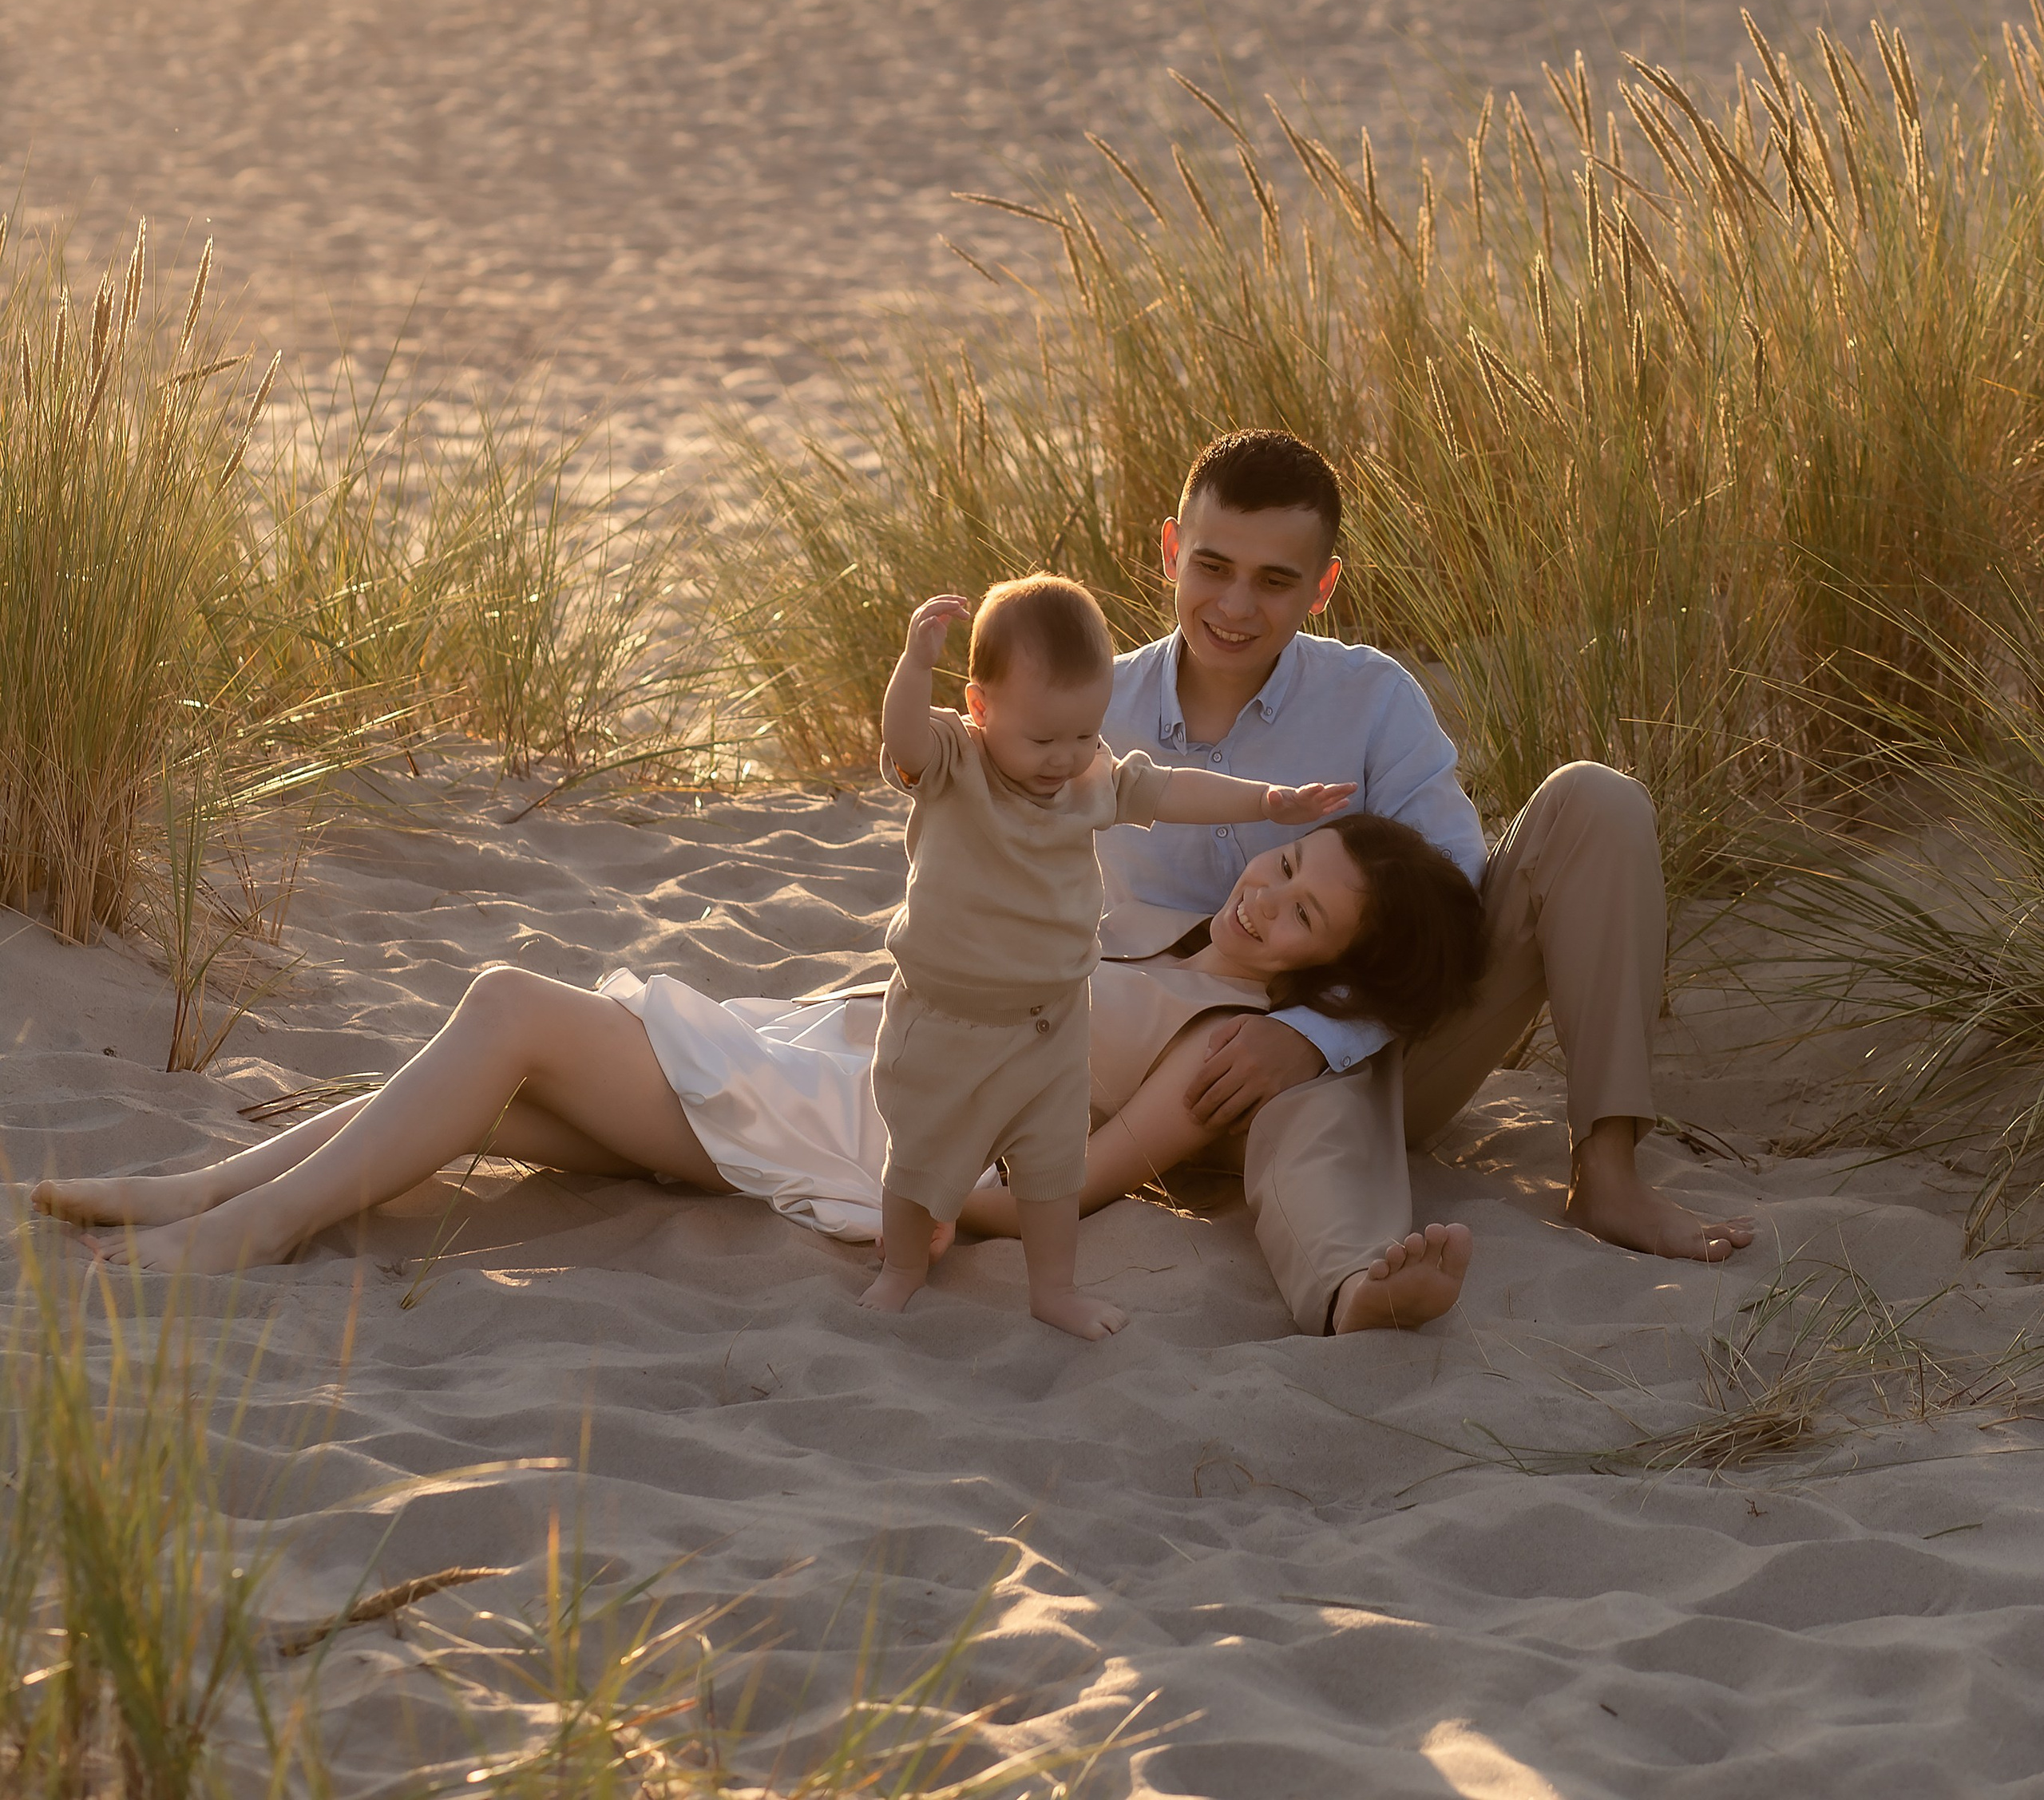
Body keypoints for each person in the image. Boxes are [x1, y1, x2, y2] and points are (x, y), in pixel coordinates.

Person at [30, 810, 1488, 1302]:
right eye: (1285, 861)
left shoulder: (1223, 1044)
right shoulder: (1169, 937)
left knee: (509, 1008)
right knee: (503, 1091)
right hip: (820, 1044)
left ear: (1327, 966)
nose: (1267, 893)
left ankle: (247, 1231)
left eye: (1302, 910)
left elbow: (1092, 1178)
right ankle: (202, 1189)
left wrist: (920, 1200)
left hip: (847, 1119)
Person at [1094, 427, 1757, 1335]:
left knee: (1595, 802)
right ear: (1171, 549)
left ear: (1323, 586)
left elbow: (1455, 909)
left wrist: (1312, 1032)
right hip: (1145, 1078)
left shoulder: (1372, 698)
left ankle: (1605, 1176)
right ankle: (1348, 1283)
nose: (1235, 606)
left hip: (1372, 1061)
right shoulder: (1090, 708)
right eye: (1211, 565)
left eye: (1276, 580)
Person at [858, 575, 1347, 1334]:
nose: (1066, 757)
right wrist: (915, 663)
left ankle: (1053, 1291)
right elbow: (903, 739)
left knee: (1053, 1171)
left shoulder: (1090, 778)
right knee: (920, 1154)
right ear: (980, 709)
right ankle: (902, 1266)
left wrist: (1267, 802)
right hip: (945, 1016)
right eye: (1044, 738)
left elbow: (1174, 791)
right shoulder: (955, 759)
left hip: (1052, 1023)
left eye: (1085, 734)